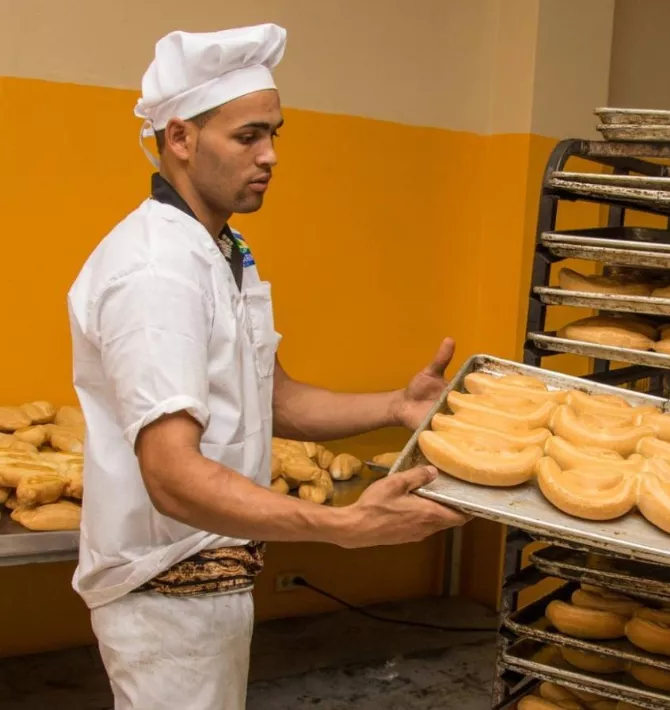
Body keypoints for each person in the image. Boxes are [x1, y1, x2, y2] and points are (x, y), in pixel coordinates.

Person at [66, 24, 468, 709]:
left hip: (215, 586)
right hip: (168, 596)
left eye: (274, 133)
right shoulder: (157, 269)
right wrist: (342, 527)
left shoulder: (222, 251)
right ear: (180, 139)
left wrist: (394, 407)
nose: (271, 154)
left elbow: (271, 398)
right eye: (247, 136)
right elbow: (171, 474)